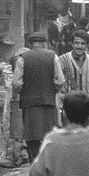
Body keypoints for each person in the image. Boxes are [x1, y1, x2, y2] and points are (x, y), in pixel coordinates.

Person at [13, 31, 64, 161]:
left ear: (30, 44)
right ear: (44, 43)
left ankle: (35, 162)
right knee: (49, 134)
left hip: (29, 102)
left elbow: (16, 83)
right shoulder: (53, 56)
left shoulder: (22, 58)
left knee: (32, 135)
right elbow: (60, 81)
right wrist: (52, 90)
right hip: (48, 101)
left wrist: (23, 92)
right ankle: (49, 161)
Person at [58, 31, 89, 105]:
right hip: (69, 103)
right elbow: (59, 84)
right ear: (72, 44)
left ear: (86, 45)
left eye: (83, 43)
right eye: (76, 43)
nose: (79, 46)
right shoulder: (63, 60)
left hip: (88, 103)